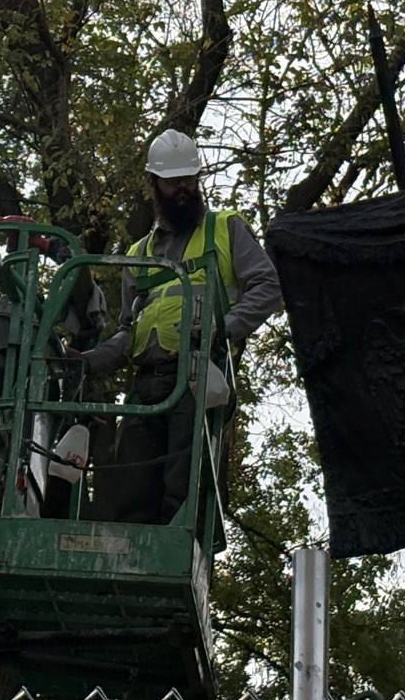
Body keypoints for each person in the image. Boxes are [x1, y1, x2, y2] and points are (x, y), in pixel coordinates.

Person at [80, 129, 283, 524]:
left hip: (197, 380)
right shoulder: (138, 254)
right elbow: (127, 332)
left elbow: (267, 286)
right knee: (131, 493)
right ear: (152, 183)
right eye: (173, 181)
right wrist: (87, 360)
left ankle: (180, 549)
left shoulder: (225, 227)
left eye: (189, 179)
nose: (183, 189)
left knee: (183, 492)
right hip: (146, 387)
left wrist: (222, 328)